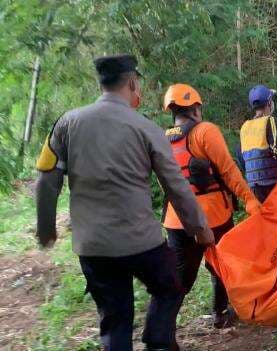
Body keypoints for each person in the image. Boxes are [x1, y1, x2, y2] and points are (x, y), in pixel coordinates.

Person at [35, 55, 214, 351]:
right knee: (169, 287)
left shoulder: (66, 124)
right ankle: (158, 342)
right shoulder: (146, 128)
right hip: (141, 243)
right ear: (132, 83)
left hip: (93, 247)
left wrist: (46, 229)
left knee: (115, 318)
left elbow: (46, 180)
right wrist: (199, 227)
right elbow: (176, 185)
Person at [161, 84, 262, 328]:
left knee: (180, 276)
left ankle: (163, 326)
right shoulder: (205, 131)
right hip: (212, 215)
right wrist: (249, 199)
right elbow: (228, 171)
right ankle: (220, 313)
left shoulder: (163, 138)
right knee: (220, 263)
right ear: (195, 108)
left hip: (176, 218)